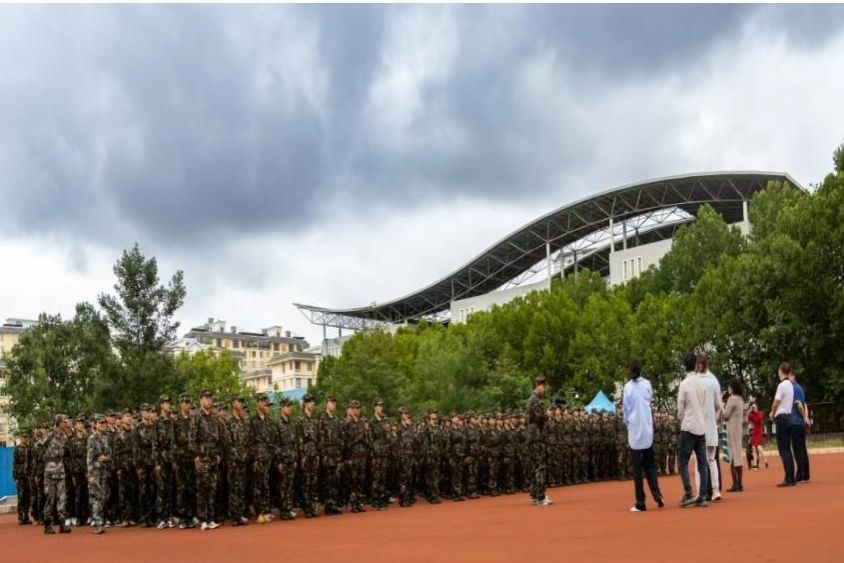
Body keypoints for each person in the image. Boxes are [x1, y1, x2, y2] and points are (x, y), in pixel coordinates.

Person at [622, 358, 664, 512]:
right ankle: (657, 494)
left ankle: (641, 502)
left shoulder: (627, 387)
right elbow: (649, 400)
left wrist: (628, 423)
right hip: (647, 430)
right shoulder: (647, 384)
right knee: (650, 466)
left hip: (635, 432)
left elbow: (626, 410)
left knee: (638, 470)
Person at [677, 353, 709, 508]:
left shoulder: (684, 384)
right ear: (696, 364)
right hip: (701, 427)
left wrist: (682, 420)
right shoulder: (701, 383)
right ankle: (703, 495)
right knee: (702, 463)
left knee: (682, 460)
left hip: (689, 426)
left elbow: (680, 408)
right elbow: (703, 404)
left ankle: (688, 491)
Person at [192, 389, 224, 530]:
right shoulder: (196, 416)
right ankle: (202, 518)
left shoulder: (214, 417)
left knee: (212, 488)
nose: (209, 400)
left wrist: (218, 454)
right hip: (202, 457)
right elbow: (191, 438)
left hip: (212, 457)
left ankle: (211, 518)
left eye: (210, 398)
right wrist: (196, 456)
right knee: (202, 489)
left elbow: (218, 438)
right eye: (206, 398)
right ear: (200, 400)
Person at [696, 354, 723, 502]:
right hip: (711, 426)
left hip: (699, 427)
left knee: (699, 462)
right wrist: (716, 416)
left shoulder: (694, 381)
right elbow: (719, 406)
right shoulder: (713, 381)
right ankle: (716, 490)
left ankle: (701, 492)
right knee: (711, 459)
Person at [42, 414, 72, 534]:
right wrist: (47, 459)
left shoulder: (65, 437)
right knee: (50, 499)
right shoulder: (50, 435)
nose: (67, 423)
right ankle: (47, 524)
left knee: (63, 498)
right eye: (65, 421)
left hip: (60, 469)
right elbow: (39, 446)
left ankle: (62, 523)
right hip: (50, 470)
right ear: (59, 422)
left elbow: (67, 452)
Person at [526, 377, 551, 506]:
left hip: (533, 437)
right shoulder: (535, 400)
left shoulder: (533, 400)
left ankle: (536, 495)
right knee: (540, 466)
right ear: (537, 385)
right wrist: (547, 415)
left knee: (535, 466)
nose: (544, 388)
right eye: (542, 386)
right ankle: (540, 496)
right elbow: (540, 417)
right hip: (537, 437)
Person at [770, 362, 796, 487]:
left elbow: (776, 402)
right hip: (789, 416)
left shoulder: (781, 385)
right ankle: (791, 476)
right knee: (787, 448)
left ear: (781, 371)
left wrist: (771, 413)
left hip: (781, 417)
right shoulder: (790, 385)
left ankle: (788, 477)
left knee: (783, 449)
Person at [86, 415, 113, 535]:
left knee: (104, 497)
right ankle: (97, 524)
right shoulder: (92, 438)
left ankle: (100, 520)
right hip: (95, 472)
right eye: (100, 423)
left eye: (104, 423)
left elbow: (110, 454)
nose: (102, 425)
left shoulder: (106, 437)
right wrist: (90, 474)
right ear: (95, 425)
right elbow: (89, 458)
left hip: (104, 471)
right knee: (96, 498)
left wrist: (106, 458)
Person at [722, 380, 745, 492]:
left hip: (732, 429)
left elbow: (726, 415)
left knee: (732, 457)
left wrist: (722, 406)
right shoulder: (740, 399)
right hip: (738, 429)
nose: (728, 389)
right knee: (738, 455)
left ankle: (735, 484)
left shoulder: (732, 399)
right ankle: (740, 483)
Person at [788, 369, 811, 484]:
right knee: (802, 448)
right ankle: (806, 473)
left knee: (797, 450)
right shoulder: (800, 388)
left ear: (793, 376)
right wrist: (806, 418)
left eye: (789, 377)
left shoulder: (794, 388)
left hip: (795, 422)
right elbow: (805, 404)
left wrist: (803, 417)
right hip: (800, 423)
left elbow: (799, 405)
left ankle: (801, 474)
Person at [747, 403, 767, 469]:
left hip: (759, 431)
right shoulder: (751, 415)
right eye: (753, 407)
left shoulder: (760, 413)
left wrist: (755, 411)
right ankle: (755, 464)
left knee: (758, 447)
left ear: (757, 407)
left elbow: (759, 419)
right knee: (753, 449)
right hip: (755, 432)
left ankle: (765, 459)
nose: (754, 408)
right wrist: (750, 410)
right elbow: (748, 418)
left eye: (755, 406)